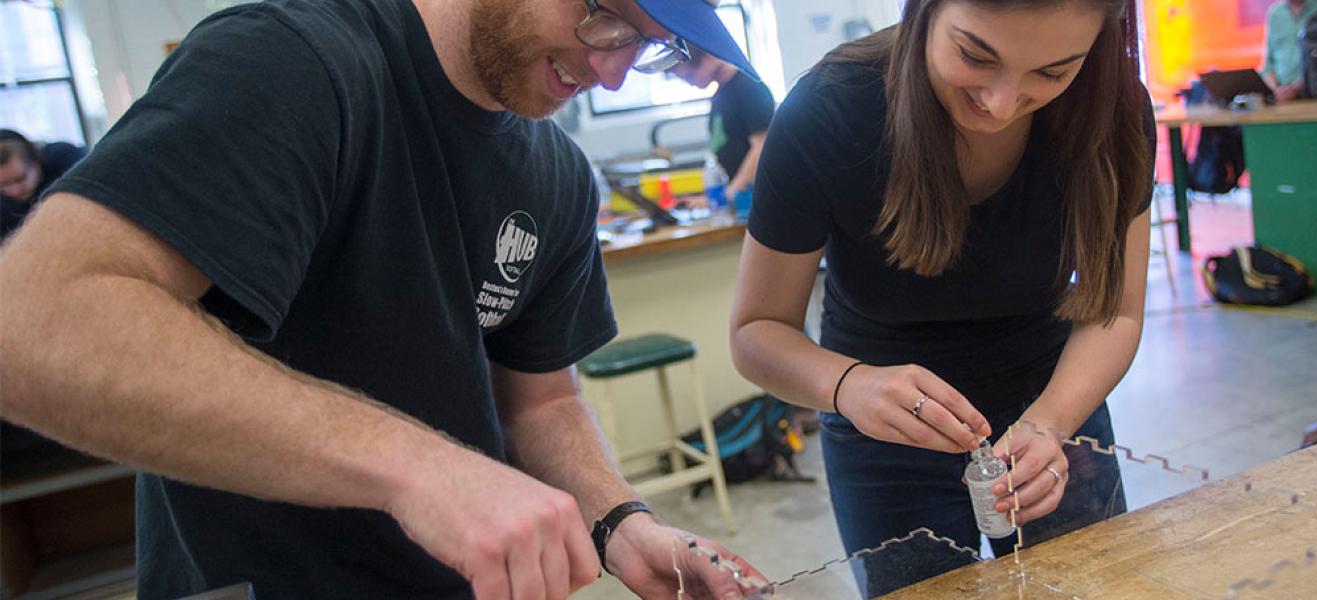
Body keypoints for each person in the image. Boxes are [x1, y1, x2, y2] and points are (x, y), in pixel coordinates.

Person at [0, 1, 766, 598]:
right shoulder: (294, 64)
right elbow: (31, 324)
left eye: (652, 45)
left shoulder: (557, 178)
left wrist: (621, 524)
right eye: (606, 17)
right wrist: (421, 470)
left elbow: (540, 405)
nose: (612, 74)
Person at [729, 0, 1154, 595]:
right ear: (922, 13)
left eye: (1053, 73)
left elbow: (1118, 309)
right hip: (881, 423)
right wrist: (849, 385)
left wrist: (1050, 424)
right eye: (975, 55)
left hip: (1054, 394)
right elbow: (756, 332)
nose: (1002, 104)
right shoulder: (828, 111)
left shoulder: (1114, 107)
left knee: (1093, 585)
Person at [671, 45, 775, 201]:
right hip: (740, 196)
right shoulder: (720, 95)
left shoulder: (750, 88)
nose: (691, 83)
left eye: (690, 76)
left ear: (707, 58)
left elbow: (762, 144)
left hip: (759, 195)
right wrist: (713, 197)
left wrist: (731, 193)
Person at [0, 129, 85, 240]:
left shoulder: (67, 159)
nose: (15, 191)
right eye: (3, 185)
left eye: (19, 179)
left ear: (35, 161)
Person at [1262, 0, 1317, 102]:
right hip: (1283, 98)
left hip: (1313, 94)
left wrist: (1296, 88)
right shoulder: (1275, 13)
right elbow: (1268, 65)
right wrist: (1277, 90)